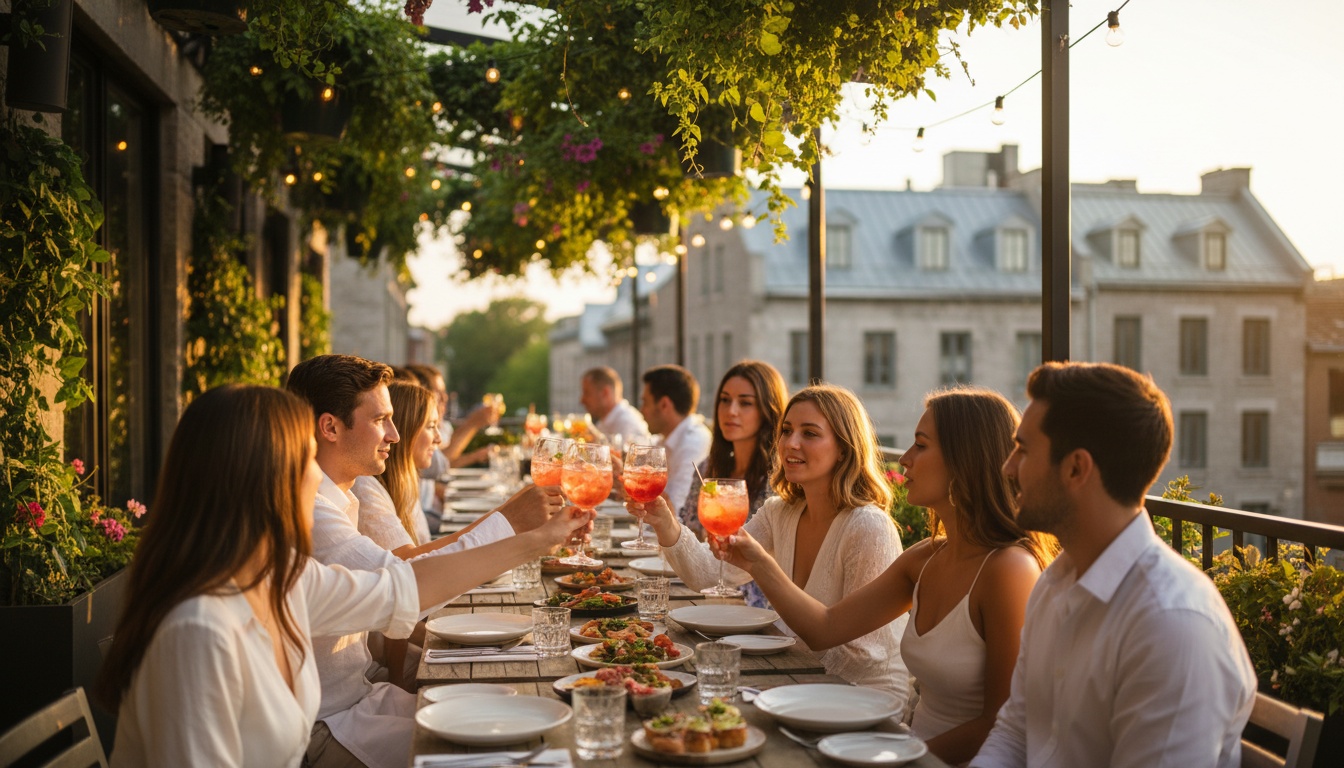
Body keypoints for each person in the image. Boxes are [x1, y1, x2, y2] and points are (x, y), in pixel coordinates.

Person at [93, 385, 588, 767]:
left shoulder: (277, 576)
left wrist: (536, 540)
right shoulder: (197, 631)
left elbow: (404, 588)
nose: (317, 471)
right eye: (305, 456)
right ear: (266, 476)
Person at [712, 386, 1055, 764]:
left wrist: (898, 758)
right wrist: (759, 563)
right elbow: (824, 628)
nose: (905, 459)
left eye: (921, 446)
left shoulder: (1008, 569)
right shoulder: (926, 557)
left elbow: (1001, 726)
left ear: (965, 462)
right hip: (902, 746)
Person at [285, 354, 570, 768]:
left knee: (522, 719)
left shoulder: (339, 497)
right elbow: (405, 589)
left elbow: (404, 579)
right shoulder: (312, 511)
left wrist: (515, 527)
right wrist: (514, 527)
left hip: (363, 696)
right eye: (381, 419)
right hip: (326, 724)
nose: (395, 434)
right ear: (329, 427)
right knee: (505, 751)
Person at [971, 362, 1256, 768]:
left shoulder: (1170, 624)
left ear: (1076, 468)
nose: (1007, 468)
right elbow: (1016, 732)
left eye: (1024, 449)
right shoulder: (1054, 583)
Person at [631, 384, 911, 701]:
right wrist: (664, 521)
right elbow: (709, 573)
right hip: (796, 675)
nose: (791, 443)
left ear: (844, 448)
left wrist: (777, 678)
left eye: (810, 433)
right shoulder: (780, 511)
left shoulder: (868, 526)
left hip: (865, 694)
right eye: (787, 430)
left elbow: (861, 654)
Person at [678, 360, 789, 608]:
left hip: (763, 609)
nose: (731, 411)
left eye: (746, 403)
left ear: (768, 411)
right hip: (707, 594)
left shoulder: (781, 478)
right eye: (725, 400)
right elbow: (688, 530)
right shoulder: (708, 469)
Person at [639, 364, 711, 511]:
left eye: (645, 402)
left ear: (664, 405)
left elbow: (678, 510)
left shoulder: (694, 440)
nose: (641, 411)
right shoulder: (665, 440)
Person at [580, 366, 652, 447]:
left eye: (587, 393)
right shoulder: (605, 421)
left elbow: (620, 458)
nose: (582, 400)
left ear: (605, 393)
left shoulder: (626, 422)